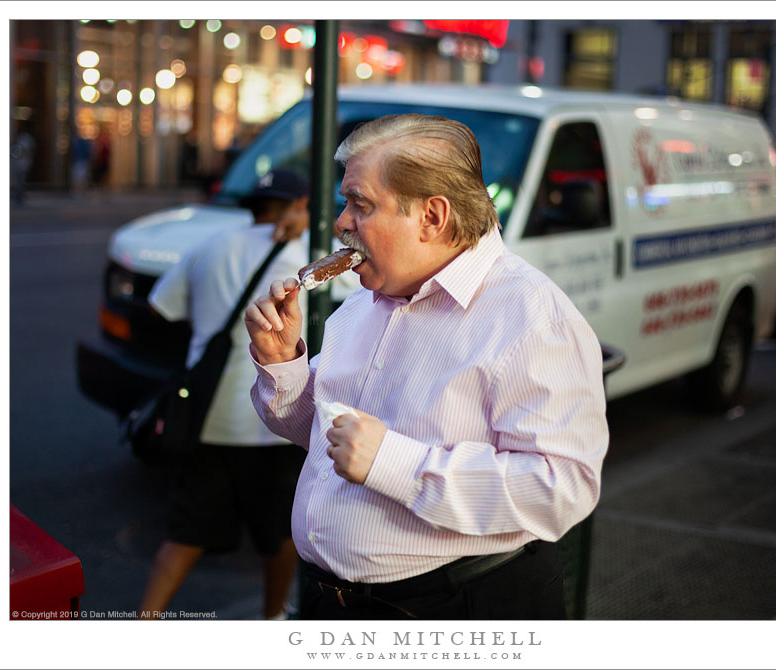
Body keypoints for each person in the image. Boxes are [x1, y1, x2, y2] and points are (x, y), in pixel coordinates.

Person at [244, 114, 610, 620]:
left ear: (432, 217)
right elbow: (323, 435)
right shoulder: (362, 304)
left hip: (458, 606)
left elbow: (563, 487)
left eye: (360, 204)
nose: (341, 223)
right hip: (333, 602)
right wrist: (283, 362)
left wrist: (396, 464)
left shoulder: (531, 318)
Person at [138, 169, 311, 620]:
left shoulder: (208, 247)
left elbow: (162, 306)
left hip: (207, 417)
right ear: (298, 206)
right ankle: (273, 618)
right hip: (272, 422)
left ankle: (144, 624)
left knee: (184, 534)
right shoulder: (301, 260)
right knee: (279, 536)